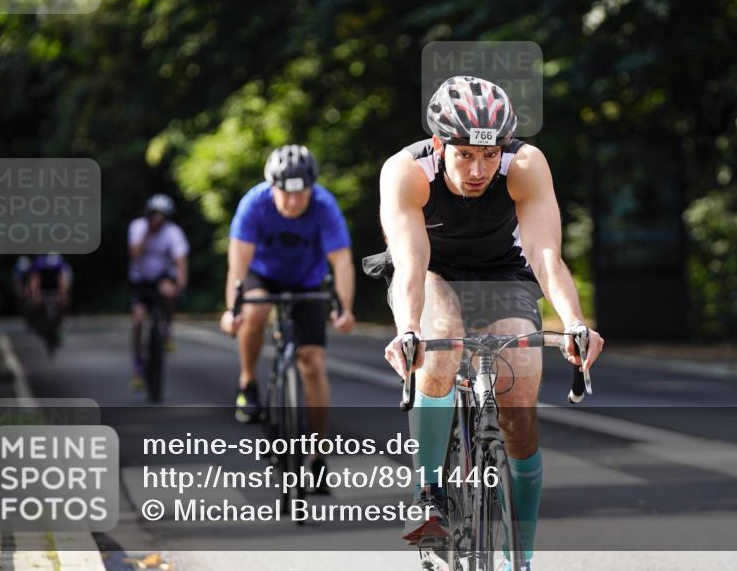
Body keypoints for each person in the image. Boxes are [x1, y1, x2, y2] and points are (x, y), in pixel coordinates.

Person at [367, 76, 604, 570]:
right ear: (439, 144)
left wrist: (575, 322)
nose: (478, 170)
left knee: (521, 378)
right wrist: (408, 330)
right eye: (464, 156)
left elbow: (545, 255)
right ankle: (429, 492)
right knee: (441, 344)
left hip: (500, 270)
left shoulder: (525, 165)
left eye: (490, 155)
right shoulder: (406, 172)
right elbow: (410, 264)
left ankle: (523, 552)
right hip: (432, 269)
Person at [219, 145, 356, 478]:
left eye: (302, 194)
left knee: (312, 362)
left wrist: (345, 309)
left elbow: (341, 262)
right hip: (262, 275)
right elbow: (238, 263)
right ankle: (248, 382)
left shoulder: (324, 206)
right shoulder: (254, 203)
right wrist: (232, 309)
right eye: (285, 194)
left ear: (311, 187)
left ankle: (318, 454)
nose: (294, 203)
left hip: (306, 281)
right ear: (272, 187)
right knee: (257, 308)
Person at [128, 194, 189, 390]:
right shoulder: (137, 227)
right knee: (138, 321)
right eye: (154, 215)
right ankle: (138, 365)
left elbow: (180, 260)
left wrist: (180, 283)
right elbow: (135, 253)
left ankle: (167, 330)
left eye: (162, 216)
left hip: (161, 278)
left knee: (169, 293)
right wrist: (148, 233)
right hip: (140, 281)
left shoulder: (173, 232)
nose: (157, 219)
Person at [27, 253, 73, 349]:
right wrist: (35, 295)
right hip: (43, 290)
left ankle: (60, 323)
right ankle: (38, 324)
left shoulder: (59, 266)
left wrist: (63, 294)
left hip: (55, 290)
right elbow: (35, 281)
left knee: (63, 303)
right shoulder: (39, 264)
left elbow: (62, 281)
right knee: (35, 305)